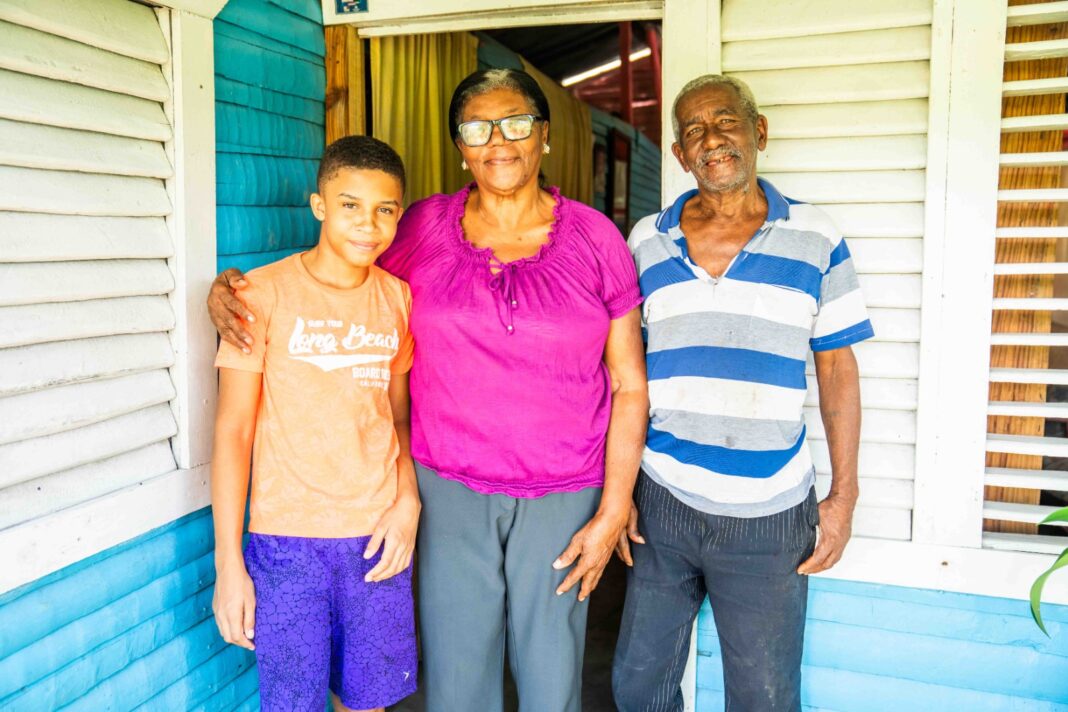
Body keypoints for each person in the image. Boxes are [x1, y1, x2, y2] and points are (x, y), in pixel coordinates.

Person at [207, 68, 649, 712]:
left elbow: (629, 385)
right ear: (460, 147)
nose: (499, 140)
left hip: (564, 491)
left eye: (516, 122)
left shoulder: (595, 239)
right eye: (477, 127)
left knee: (552, 675)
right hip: (447, 486)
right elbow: (340, 273)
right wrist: (231, 292)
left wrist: (615, 503)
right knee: (457, 676)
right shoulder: (421, 229)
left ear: (545, 135)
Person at [612, 75, 871, 712]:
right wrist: (620, 495)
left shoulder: (816, 236)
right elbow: (623, 377)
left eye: (725, 121)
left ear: (759, 131)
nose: (712, 139)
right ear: (680, 155)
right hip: (663, 498)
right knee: (639, 686)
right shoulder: (646, 240)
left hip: (771, 510)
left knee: (764, 697)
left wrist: (843, 496)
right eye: (694, 131)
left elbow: (837, 370)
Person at [210, 136, 419, 712]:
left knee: (367, 703)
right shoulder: (260, 294)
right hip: (286, 543)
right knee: (293, 704)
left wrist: (408, 501)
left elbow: (398, 416)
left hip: (376, 538)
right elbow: (233, 431)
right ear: (319, 205)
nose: (368, 224)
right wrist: (229, 563)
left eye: (384, 209)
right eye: (350, 205)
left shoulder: (398, 299)